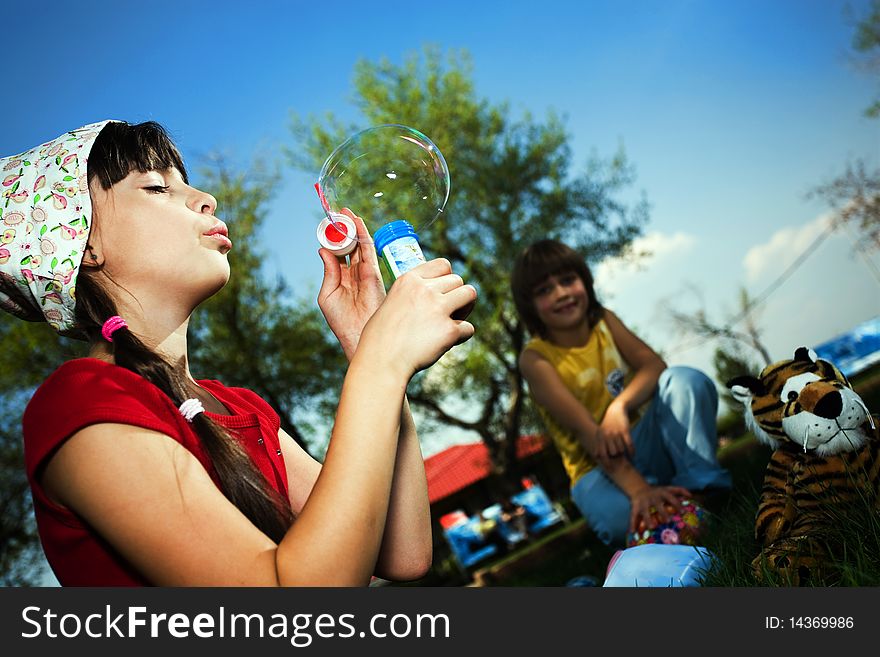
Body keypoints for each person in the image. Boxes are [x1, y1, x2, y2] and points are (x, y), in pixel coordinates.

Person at [1, 120, 477, 586]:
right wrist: (380, 363)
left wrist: (367, 345)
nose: (205, 198)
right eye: (156, 187)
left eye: (185, 182)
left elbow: (403, 552)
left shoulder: (241, 408)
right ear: (82, 245)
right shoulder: (80, 402)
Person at [510, 239, 730, 547]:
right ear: (530, 305)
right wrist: (639, 490)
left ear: (584, 281)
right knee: (619, 522)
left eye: (567, 280)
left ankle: (703, 492)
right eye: (544, 290)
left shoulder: (604, 321)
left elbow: (653, 365)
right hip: (596, 468)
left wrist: (620, 407)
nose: (561, 293)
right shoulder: (535, 359)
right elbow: (587, 433)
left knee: (683, 381)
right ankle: (661, 514)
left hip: (643, 441)